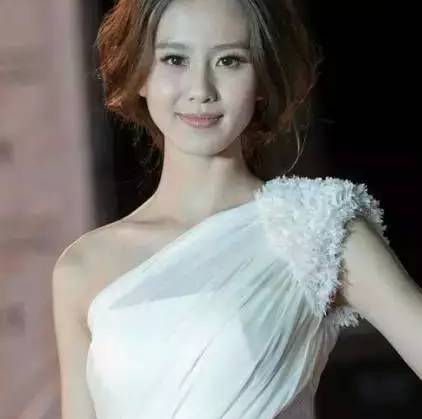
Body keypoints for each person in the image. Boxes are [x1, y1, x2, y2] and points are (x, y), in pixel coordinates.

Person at [52, 0, 422, 418]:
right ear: (140, 73)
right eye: (175, 59)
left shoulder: (318, 227)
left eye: (229, 61)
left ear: (261, 77)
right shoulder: (83, 267)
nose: (201, 90)